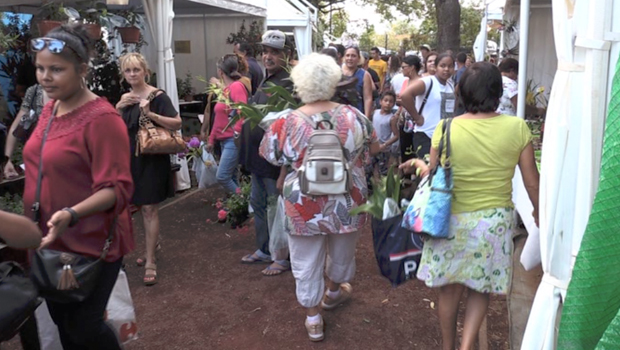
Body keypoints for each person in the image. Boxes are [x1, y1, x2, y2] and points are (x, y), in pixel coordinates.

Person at [399, 61, 540, 350]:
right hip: (493, 222)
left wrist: (416, 163)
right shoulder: (517, 128)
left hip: (449, 218)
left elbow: (436, 175)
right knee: (480, 288)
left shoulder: (445, 127)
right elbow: (531, 182)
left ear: (461, 91)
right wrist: (539, 212)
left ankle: (449, 347)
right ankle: (466, 347)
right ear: (498, 91)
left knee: (449, 292)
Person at [23, 23, 134, 349]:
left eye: (56, 69)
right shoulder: (49, 109)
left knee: (84, 329)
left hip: (90, 243)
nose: (45, 77)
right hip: (48, 240)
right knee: (64, 326)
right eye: (40, 68)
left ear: (82, 69)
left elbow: (118, 189)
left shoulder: (103, 119)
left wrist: (71, 213)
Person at [259, 53, 379, 342]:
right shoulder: (354, 116)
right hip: (346, 199)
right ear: (334, 81)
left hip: (303, 202)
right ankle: (334, 292)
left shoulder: (287, 121)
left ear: (300, 84)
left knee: (304, 259)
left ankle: (313, 319)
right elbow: (373, 149)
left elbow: (270, 156)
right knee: (342, 251)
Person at [117, 52, 181, 286]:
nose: (132, 74)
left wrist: (151, 113)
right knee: (137, 207)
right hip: (129, 159)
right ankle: (153, 244)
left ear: (145, 71)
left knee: (148, 210)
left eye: (136, 70)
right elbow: (115, 128)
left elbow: (177, 122)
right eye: (128, 70)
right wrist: (117, 107)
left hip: (152, 160)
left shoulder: (157, 96)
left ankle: (151, 260)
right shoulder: (126, 98)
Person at [239, 30, 292, 276]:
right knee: (259, 205)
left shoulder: (288, 84)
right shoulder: (263, 79)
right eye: (266, 51)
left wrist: (284, 171)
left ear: (286, 55)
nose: (268, 56)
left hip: (273, 163)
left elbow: (289, 130)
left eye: (275, 52)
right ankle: (264, 250)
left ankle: (281, 256)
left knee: (275, 208)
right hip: (257, 160)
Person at [400, 52, 455, 159]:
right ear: (436, 67)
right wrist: (417, 117)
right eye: (442, 66)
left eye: (450, 66)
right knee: (427, 171)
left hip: (444, 137)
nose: (446, 69)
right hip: (426, 135)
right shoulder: (428, 82)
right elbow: (405, 95)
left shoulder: (450, 85)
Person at [206, 54, 248, 193]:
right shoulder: (226, 90)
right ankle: (237, 209)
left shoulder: (236, 87)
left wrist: (237, 132)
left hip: (232, 140)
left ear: (220, 72)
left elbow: (243, 110)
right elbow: (218, 119)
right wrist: (211, 140)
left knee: (222, 176)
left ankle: (244, 201)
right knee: (232, 177)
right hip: (225, 140)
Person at [3, 83, 49, 178]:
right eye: (40, 69)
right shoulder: (34, 92)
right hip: (40, 165)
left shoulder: (76, 92)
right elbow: (16, 128)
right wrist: (7, 160)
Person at [395, 55, 423, 163]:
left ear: (412, 68)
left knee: (415, 149)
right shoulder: (405, 82)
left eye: (403, 67)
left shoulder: (422, 82)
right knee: (405, 149)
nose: (402, 70)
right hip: (404, 120)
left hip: (415, 120)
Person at [372, 90, 399, 176]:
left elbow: (396, 136)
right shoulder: (375, 113)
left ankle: (383, 187)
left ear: (394, 104)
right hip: (373, 146)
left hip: (384, 150)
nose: (388, 103)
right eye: (385, 100)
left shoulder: (391, 118)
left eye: (391, 102)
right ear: (380, 102)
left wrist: (385, 145)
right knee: (370, 168)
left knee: (382, 171)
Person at [342, 47, 373, 118]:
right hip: (339, 115)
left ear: (359, 58)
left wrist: (366, 118)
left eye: (353, 56)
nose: (350, 58)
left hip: (356, 115)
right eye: (347, 55)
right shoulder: (337, 72)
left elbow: (368, 98)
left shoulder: (364, 75)